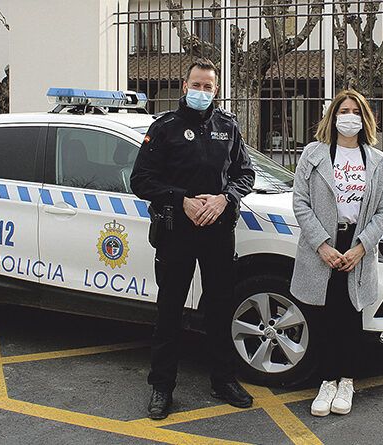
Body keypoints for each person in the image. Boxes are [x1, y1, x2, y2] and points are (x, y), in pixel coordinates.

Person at [130, 58, 256, 420]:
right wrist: (180, 199)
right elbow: (141, 180)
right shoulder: (165, 127)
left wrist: (225, 197)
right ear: (184, 87)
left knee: (219, 307)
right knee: (169, 310)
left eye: (208, 87)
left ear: (216, 90)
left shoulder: (228, 126)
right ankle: (162, 387)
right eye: (196, 85)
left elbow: (245, 173)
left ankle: (223, 379)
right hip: (176, 231)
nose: (202, 91)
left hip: (218, 230)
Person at [291, 89, 383, 417]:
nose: (348, 116)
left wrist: (362, 247)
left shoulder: (377, 161)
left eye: (355, 111)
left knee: (351, 316)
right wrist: (322, 244)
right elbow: (300, 202)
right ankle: (326, 382)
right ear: (333, 116)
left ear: (364, 119)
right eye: (342, 110)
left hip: (357, 245)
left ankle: (347, 381)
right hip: (323, 245)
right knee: (323, 316)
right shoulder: (314, 153)